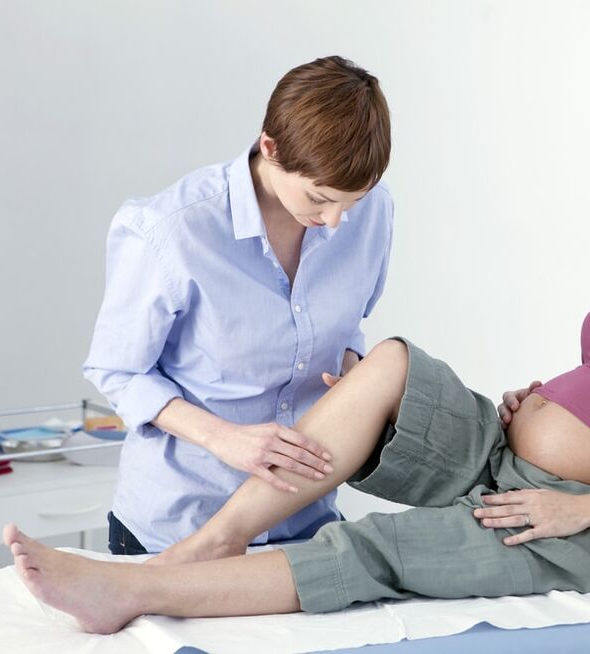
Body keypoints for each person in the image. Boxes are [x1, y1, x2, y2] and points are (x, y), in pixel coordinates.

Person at [7, 137, 590, 635]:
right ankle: (209, 544)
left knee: (371, 549)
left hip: (583, 520)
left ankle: (140, 586)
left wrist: (579, 507)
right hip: (506, 453)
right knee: (391, 360)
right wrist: (539, 401)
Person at [81, 56, 393, 555]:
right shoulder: (170, 230)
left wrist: (353, 377)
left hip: (306, 525)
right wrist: (223, 437)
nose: (335, 221)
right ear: (270, 148)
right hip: (178, 525)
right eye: (318, 198)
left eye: (351, 202)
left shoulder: (374, 213)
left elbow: (347, 326)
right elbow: (118, 372)